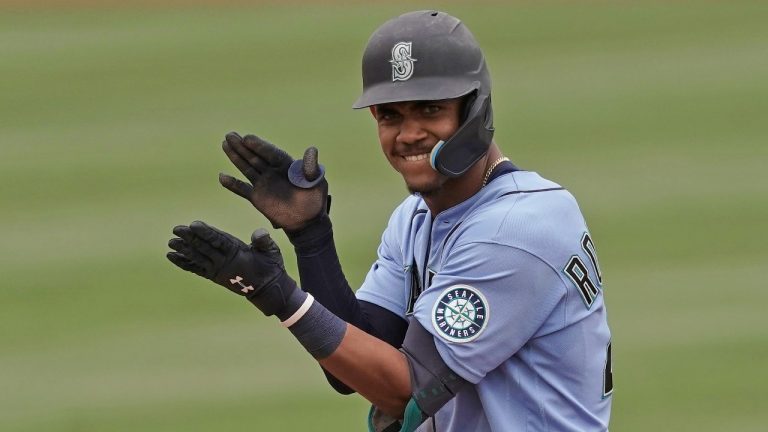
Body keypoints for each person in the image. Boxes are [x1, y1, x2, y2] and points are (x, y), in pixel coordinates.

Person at [166, 10, 613, 432]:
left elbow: (405, 389)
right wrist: (312, 238)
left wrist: (281, 298)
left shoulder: (516, 229)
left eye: (430, 110)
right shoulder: (417, 217)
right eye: (391, 115)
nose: (409, 133)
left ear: (475, 111)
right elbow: (354, 367)